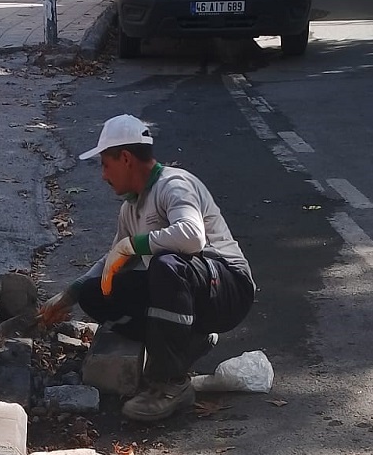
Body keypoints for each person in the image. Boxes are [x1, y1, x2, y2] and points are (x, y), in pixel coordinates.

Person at [40, 114, 257, 423]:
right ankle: (188, 340)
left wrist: (134, 246)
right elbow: (113, 260)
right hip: (187, 289)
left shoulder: (174, 184)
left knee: (165, 266)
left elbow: (192, 237)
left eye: (105, 164)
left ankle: (170, 383)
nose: (103, 175)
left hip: (228, 287)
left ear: (125, 158)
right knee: (95, 293)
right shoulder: (130, 208)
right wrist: (69, 294)